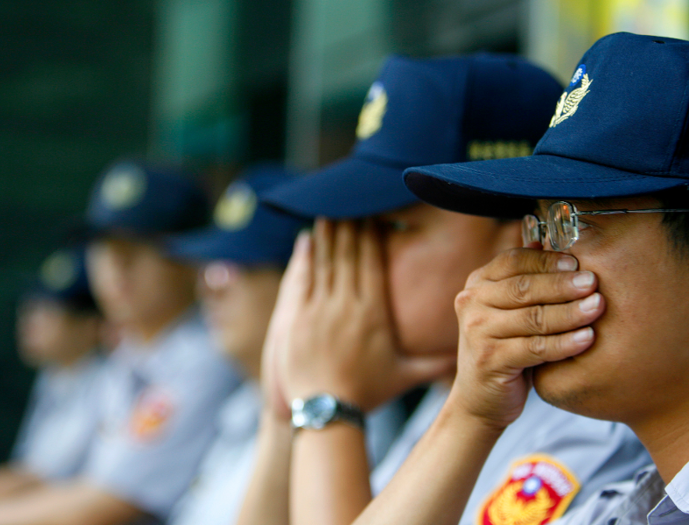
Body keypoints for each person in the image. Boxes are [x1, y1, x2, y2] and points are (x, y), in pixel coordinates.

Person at [238, 54, 649, 525]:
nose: (355, 261)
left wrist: (325, 407)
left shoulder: (585, 423)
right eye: (347, 232)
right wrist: (283, 410)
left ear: (525, 240)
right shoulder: (445, 401)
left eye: (393, 227)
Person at [355, 30, 689, 525]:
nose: (528, 260)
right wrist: (470, 413)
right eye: (540, 222)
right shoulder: (634, 508)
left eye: (574, 222)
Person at [0, 160, 242, 525]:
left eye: (140, 245)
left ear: (190, 256)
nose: (117, 264)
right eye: (103, 245)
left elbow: (109, 503)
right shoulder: (129, 356)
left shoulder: (206, 358)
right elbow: (64, 482)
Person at [164, 165, 404, 525]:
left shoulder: (347, 412)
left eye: (235, 266)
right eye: (208, 267)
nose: (210, 287)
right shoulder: (244, 402)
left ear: (306, 279)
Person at [0, 247, 106, 501]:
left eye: (49, 310)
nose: (30, 321)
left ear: (91, 325)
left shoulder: (103, 387)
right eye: (29, 308)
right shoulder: (54, 377)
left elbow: (38, 480)